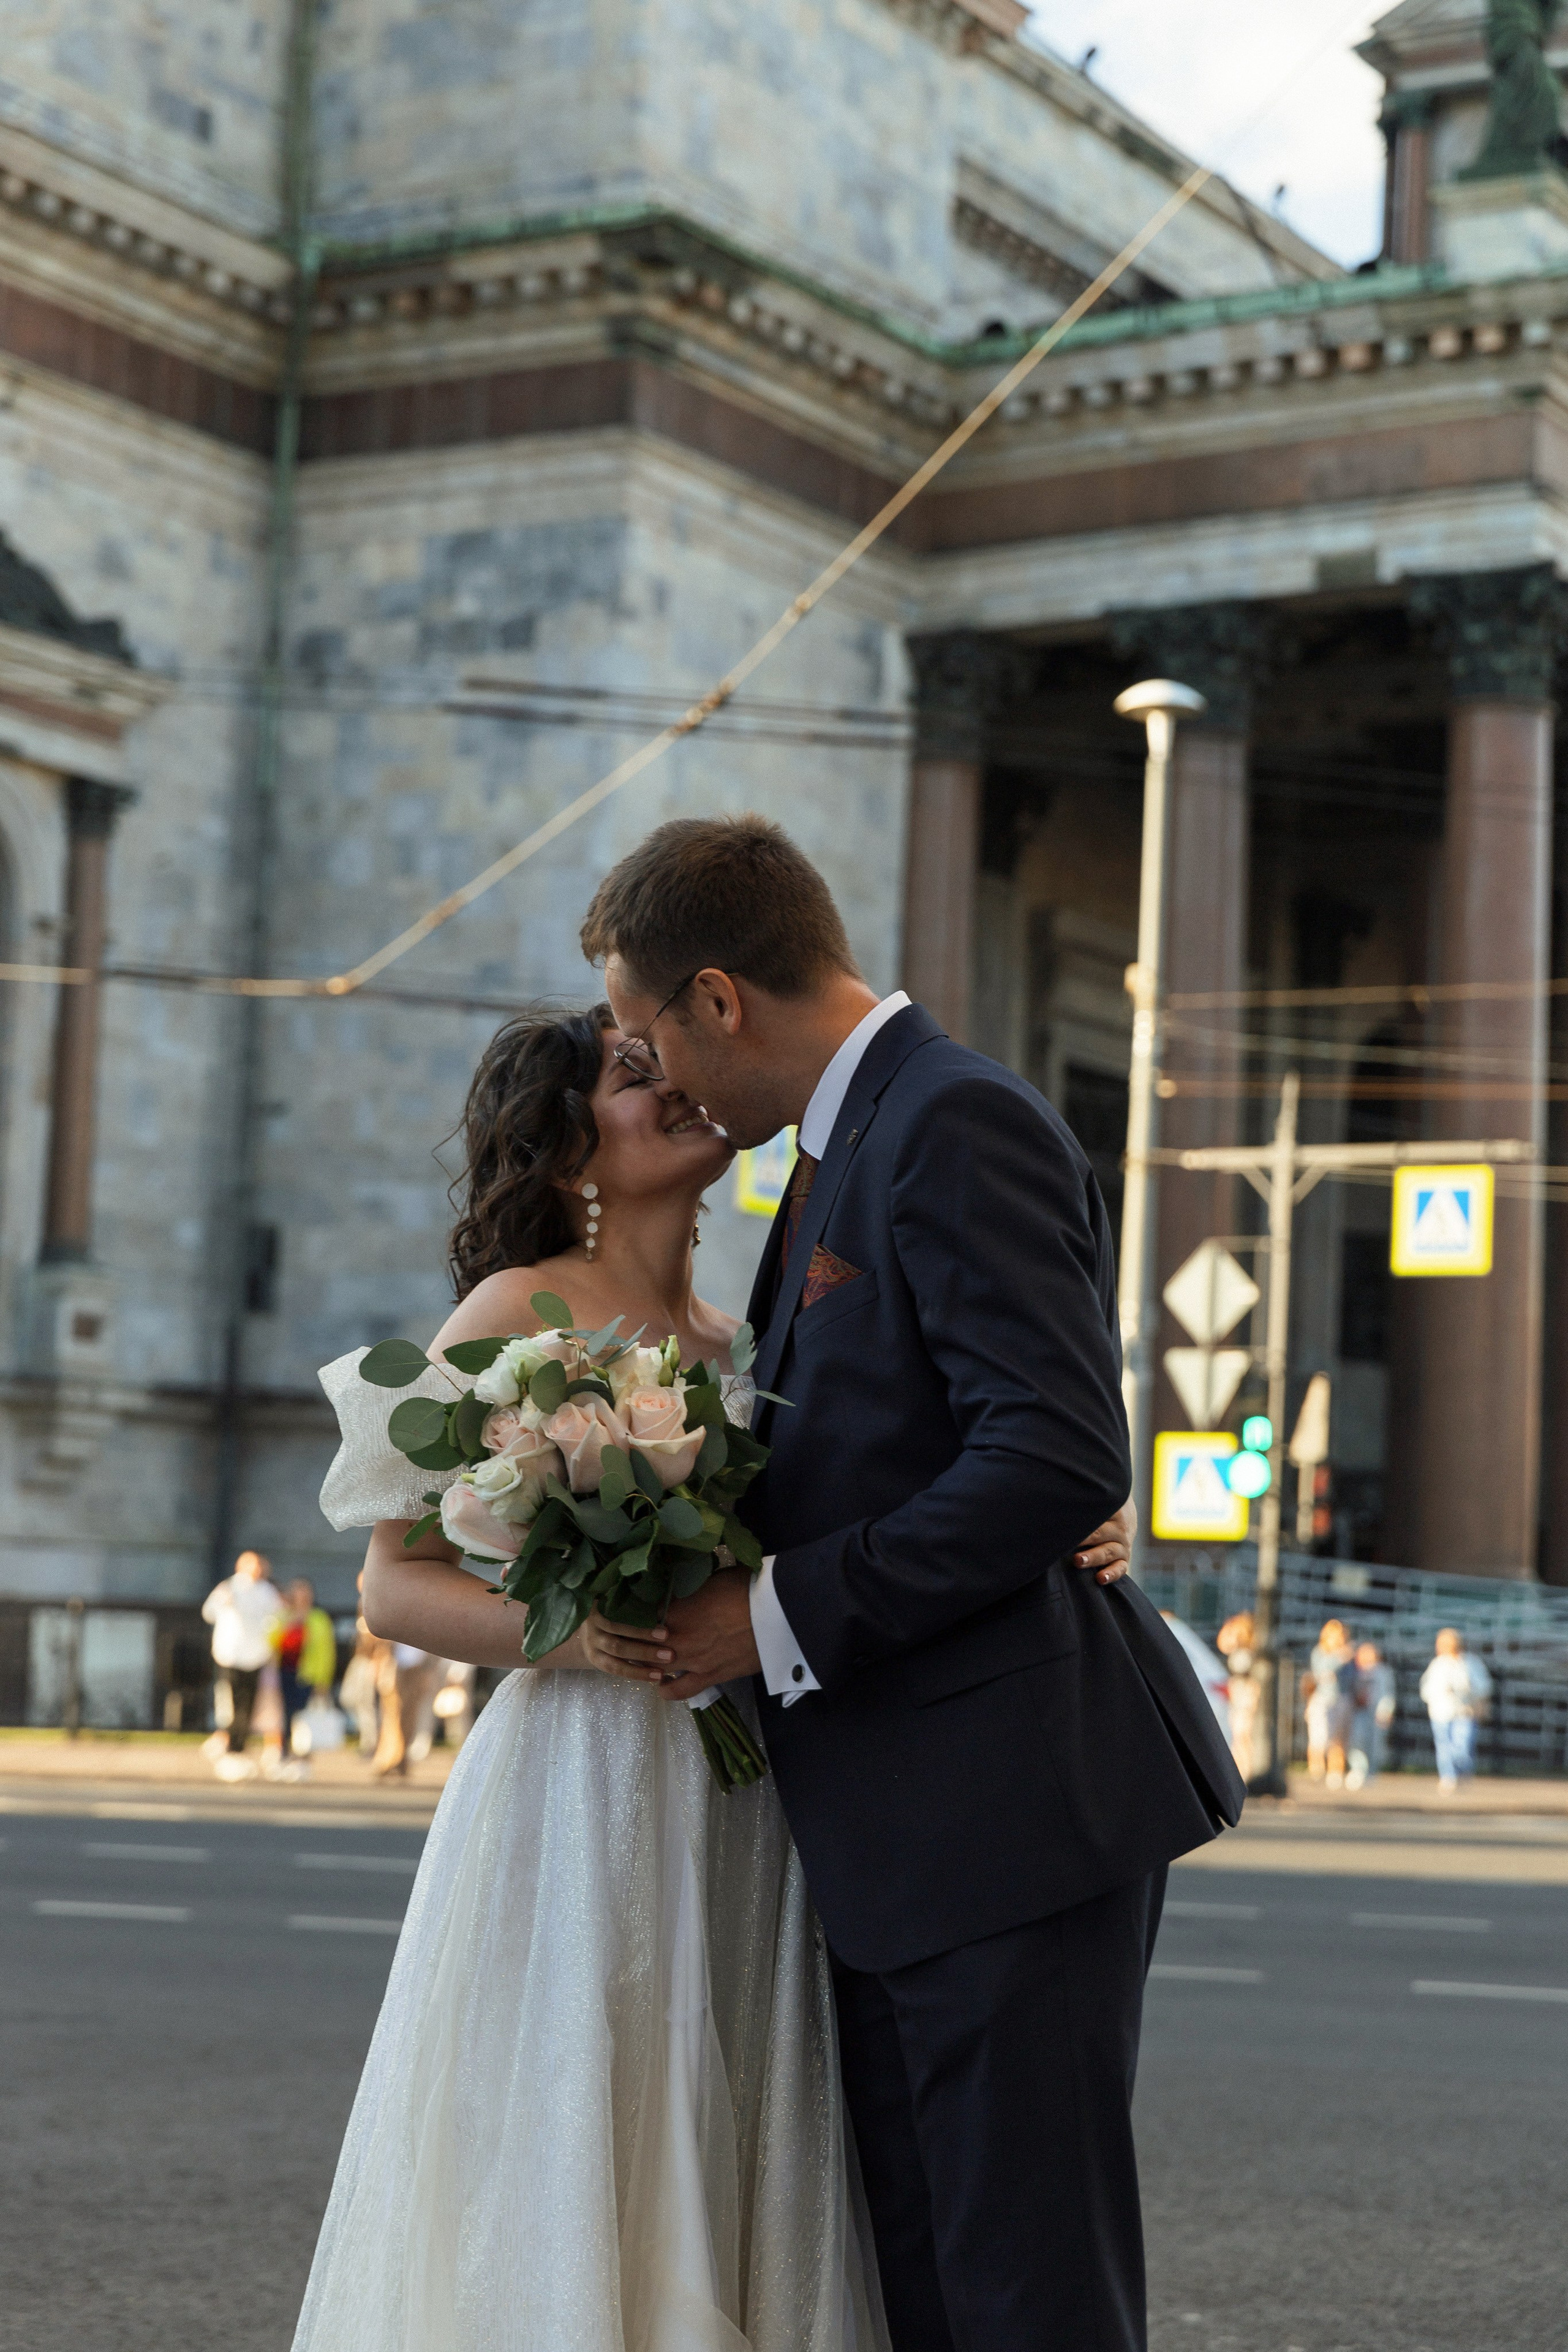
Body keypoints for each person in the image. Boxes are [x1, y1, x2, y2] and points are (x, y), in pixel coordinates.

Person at [293, 993, 1143, 2352]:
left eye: (664, 1060)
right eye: (633, 1079)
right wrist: (581, 1638)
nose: (673, 1088)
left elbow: (875, 1487)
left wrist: (1064, 1520)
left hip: (748, 1778)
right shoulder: (515, 1310)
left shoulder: (737, 1329)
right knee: (598, 2111)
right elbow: (391, 1582)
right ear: (573, 1149)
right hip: (576, 1776)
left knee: (737, 2110)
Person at [582, 815, 1245, 2352]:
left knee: (1023, 2294)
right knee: (935, 2289)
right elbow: (916, 1444)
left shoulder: (949, 1118)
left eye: (646, 1035)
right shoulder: (846, 1140)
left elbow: (1056, 1449)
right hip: (914, 1829)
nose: (657, 1076)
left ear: (717, 997)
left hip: (1002, 1816)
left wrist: (764, 1614)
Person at [200, 1549, 284, 1782]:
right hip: (231, 1656)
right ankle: (232, 1749)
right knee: (231, 1703)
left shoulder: (267, 1591)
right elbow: (209, 1612)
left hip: (256, 1657)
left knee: (248, 1704)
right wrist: (225, 1603)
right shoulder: (229, 1588)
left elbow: (278, 1618)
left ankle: (240, 1747)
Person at [271, 1578, 338, 1760]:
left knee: (304, 1713)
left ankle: (302, 1751)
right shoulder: (283, 1615)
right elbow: (271, 1641)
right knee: (285, 1713)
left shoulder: (319, 1618)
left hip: (308, 1674)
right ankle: (284, 1749)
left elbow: (327, 1652)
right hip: (284, 1671)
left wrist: (324, 1680)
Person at [1420, 1627, 1493, 1790]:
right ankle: (1448, 1777)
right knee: (1444, 1747)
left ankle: (1462, 1773)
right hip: (1441, 1712)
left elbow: (1484, 1687)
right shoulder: (1437, 1664)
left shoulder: (1470, 1662)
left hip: (1464, 1712)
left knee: (1462, 1747)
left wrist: (1472, 1696)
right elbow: (1426, 1689)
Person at [1304, 1616, 1355, 1786]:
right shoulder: (1320, 1652)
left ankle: (1336, 1773)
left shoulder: (1348, 1653)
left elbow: (1350, 1679)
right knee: (1319, 1737)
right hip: (1322, 1699)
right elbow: (1322, 1672)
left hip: (1342, 1698)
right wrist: (1340, 1659)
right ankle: (1317, 1770)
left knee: (1338, 1739)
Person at [1215, 1610, 1259, 1781]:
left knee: (1243, 1734)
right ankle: (1240, 1770)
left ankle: (1246, 1771)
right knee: (1237, 1734)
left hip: (1247, 1694)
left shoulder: (1252, 1651)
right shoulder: (1237, 1649)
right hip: (1237, 1694)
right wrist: (1228, 1627)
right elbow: (1223, 1644)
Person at [1346, 1638, 1396, 1789]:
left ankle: (1371, 1773)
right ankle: (1358, 1770)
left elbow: (1388, 1693)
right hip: (1359, 1711)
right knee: (1357, 1741)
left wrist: (1387, 1710)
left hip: (1377, 1712)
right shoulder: (1355, 1671)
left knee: (1375, 1744)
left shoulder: (1384, 1672)